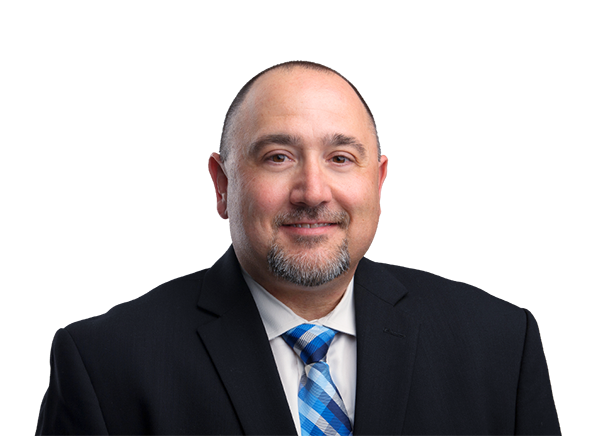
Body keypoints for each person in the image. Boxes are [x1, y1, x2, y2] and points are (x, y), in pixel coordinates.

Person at [36, 62, 561, 436]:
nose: (313, 192)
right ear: (222, 185)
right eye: (278, 157)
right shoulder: (105, 365)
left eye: (341, 158)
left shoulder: (499, 345)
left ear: (378, 182)